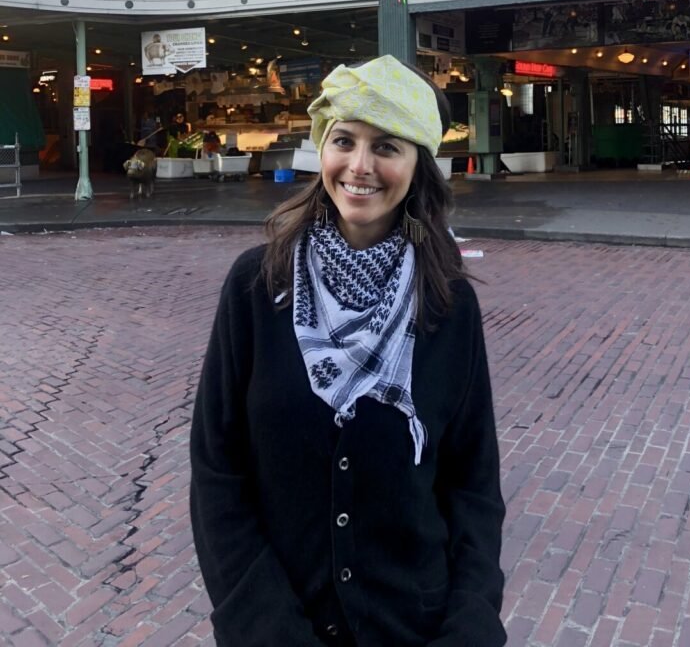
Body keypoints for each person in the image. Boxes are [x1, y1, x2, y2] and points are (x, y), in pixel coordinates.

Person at [189, 55, 506, 647]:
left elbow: (473, 485)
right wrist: (264, 627)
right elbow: (216, 471)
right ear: (321, 151)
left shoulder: (448, 304)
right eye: (344, 141)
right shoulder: (257, 286)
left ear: (418, 166)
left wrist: (471, 626)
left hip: (413, 626)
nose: (360, 166)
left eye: (387, 146)